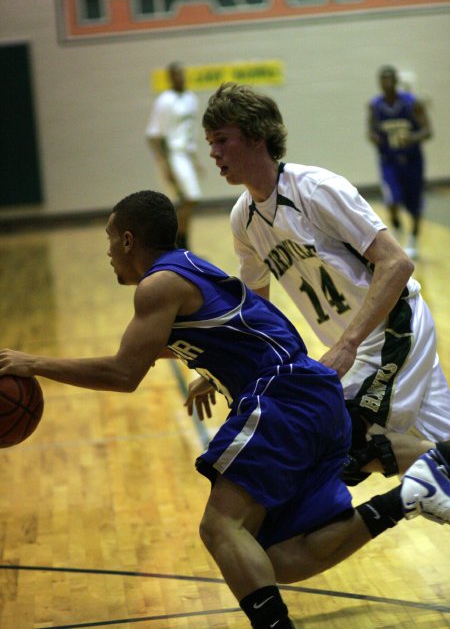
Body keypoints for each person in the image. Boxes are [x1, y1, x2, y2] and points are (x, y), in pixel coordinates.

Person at [1, 190, 449, 629]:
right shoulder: (190, 269)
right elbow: (235, 330)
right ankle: (407, 496)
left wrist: (34, 362)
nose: (108, 253)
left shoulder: (158, 284)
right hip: (309, 393)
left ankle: (421, 456)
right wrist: (208, 364)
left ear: (128, 241)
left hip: (283, 396)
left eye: (109, 240)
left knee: (221, 527)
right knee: (274, 558)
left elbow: (125, 373)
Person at [201, 82, 450, 489]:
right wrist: (218, 366)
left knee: (344, 436)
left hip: (393, 330)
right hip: (359, 341)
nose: (213, 153)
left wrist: (348, 343)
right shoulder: (242, 218)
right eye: (210, 142)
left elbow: (396, 263)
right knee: (442, 447)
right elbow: (256, 312)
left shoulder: (314, 189)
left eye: (222, 141)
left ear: (256, 137)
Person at [367, 65, 432, 259]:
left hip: (412, 160)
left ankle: (413, 238)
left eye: (390, 79)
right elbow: (371, 131)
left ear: (396, 81)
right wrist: (374, 137)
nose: (387, 83)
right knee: (392, 199)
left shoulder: (412, 103)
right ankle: (396, 228)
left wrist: (411, 137)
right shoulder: (375, 105)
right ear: (379, 83)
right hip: (389, 161)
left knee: (414, 202)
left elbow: (428, 131)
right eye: (383, 79)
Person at [145, 61, 202, 250]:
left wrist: (195, 160)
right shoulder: (165, 100)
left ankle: (180, 246)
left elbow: (190, 132)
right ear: (170, 78)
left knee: (187, 201)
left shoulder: (191, 98)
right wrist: (165, 165)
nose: (180, 77)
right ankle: (179, 246)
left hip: (186, 155)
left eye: (182, 73)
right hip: (173, 155)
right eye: (176, 74)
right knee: (189, 198)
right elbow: (154, 136)